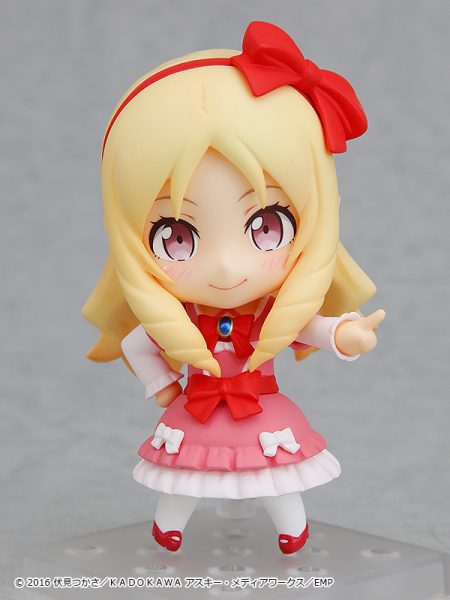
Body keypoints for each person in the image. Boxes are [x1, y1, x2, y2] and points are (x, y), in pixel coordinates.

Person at [83, 21, 385, 554]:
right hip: (197, 410)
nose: (226, 267)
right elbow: (136, 343)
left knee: (277, 476)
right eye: (176, 236)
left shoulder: (271, 317)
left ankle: (292, 529)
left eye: (266, 226)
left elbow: (312, 329)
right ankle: (168, 527)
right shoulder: (183, 323)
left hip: (260, 412)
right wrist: (162, 385)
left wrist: (347, 336)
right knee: (183, 478)